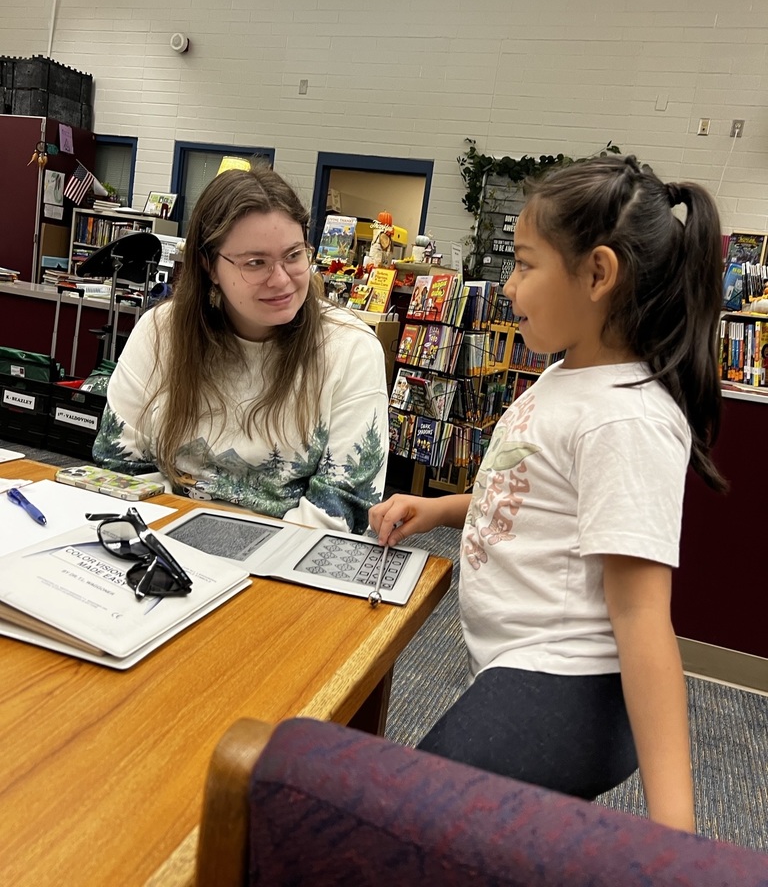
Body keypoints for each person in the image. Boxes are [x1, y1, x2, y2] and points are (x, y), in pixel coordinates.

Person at [370, 155, 726, 832]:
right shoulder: (568, 377)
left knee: (400, 824)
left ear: (597, 273)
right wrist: (441, 509)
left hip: (570, 683)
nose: (508, 286)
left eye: (526, 265)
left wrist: (674, 834)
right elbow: (530, 498)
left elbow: (644, 617)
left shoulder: (627, 416)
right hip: (524, 669)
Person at [93, 166, 389, 534]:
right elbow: (119, 468)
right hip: (162, 547)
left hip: (284, 571)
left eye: (294, 255)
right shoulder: (160, 332)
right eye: (255, 263)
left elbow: (342, 512)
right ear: (210, 266)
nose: (281, 279)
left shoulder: (351, 350)